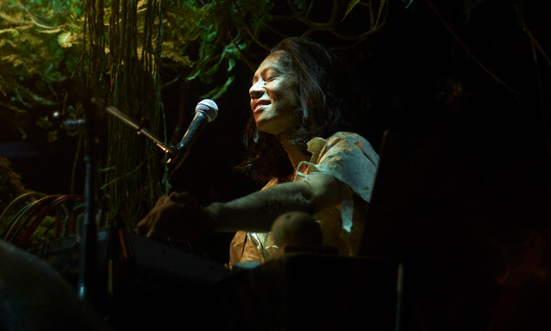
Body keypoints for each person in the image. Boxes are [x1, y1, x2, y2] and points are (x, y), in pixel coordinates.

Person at [136, 37, 379, 264]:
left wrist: (212, 216)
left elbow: (306, 196)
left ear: (305, 85)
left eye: (270, 78)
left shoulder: (349, 147)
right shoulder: (270, 190)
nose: (253, 91)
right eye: (253, 82)